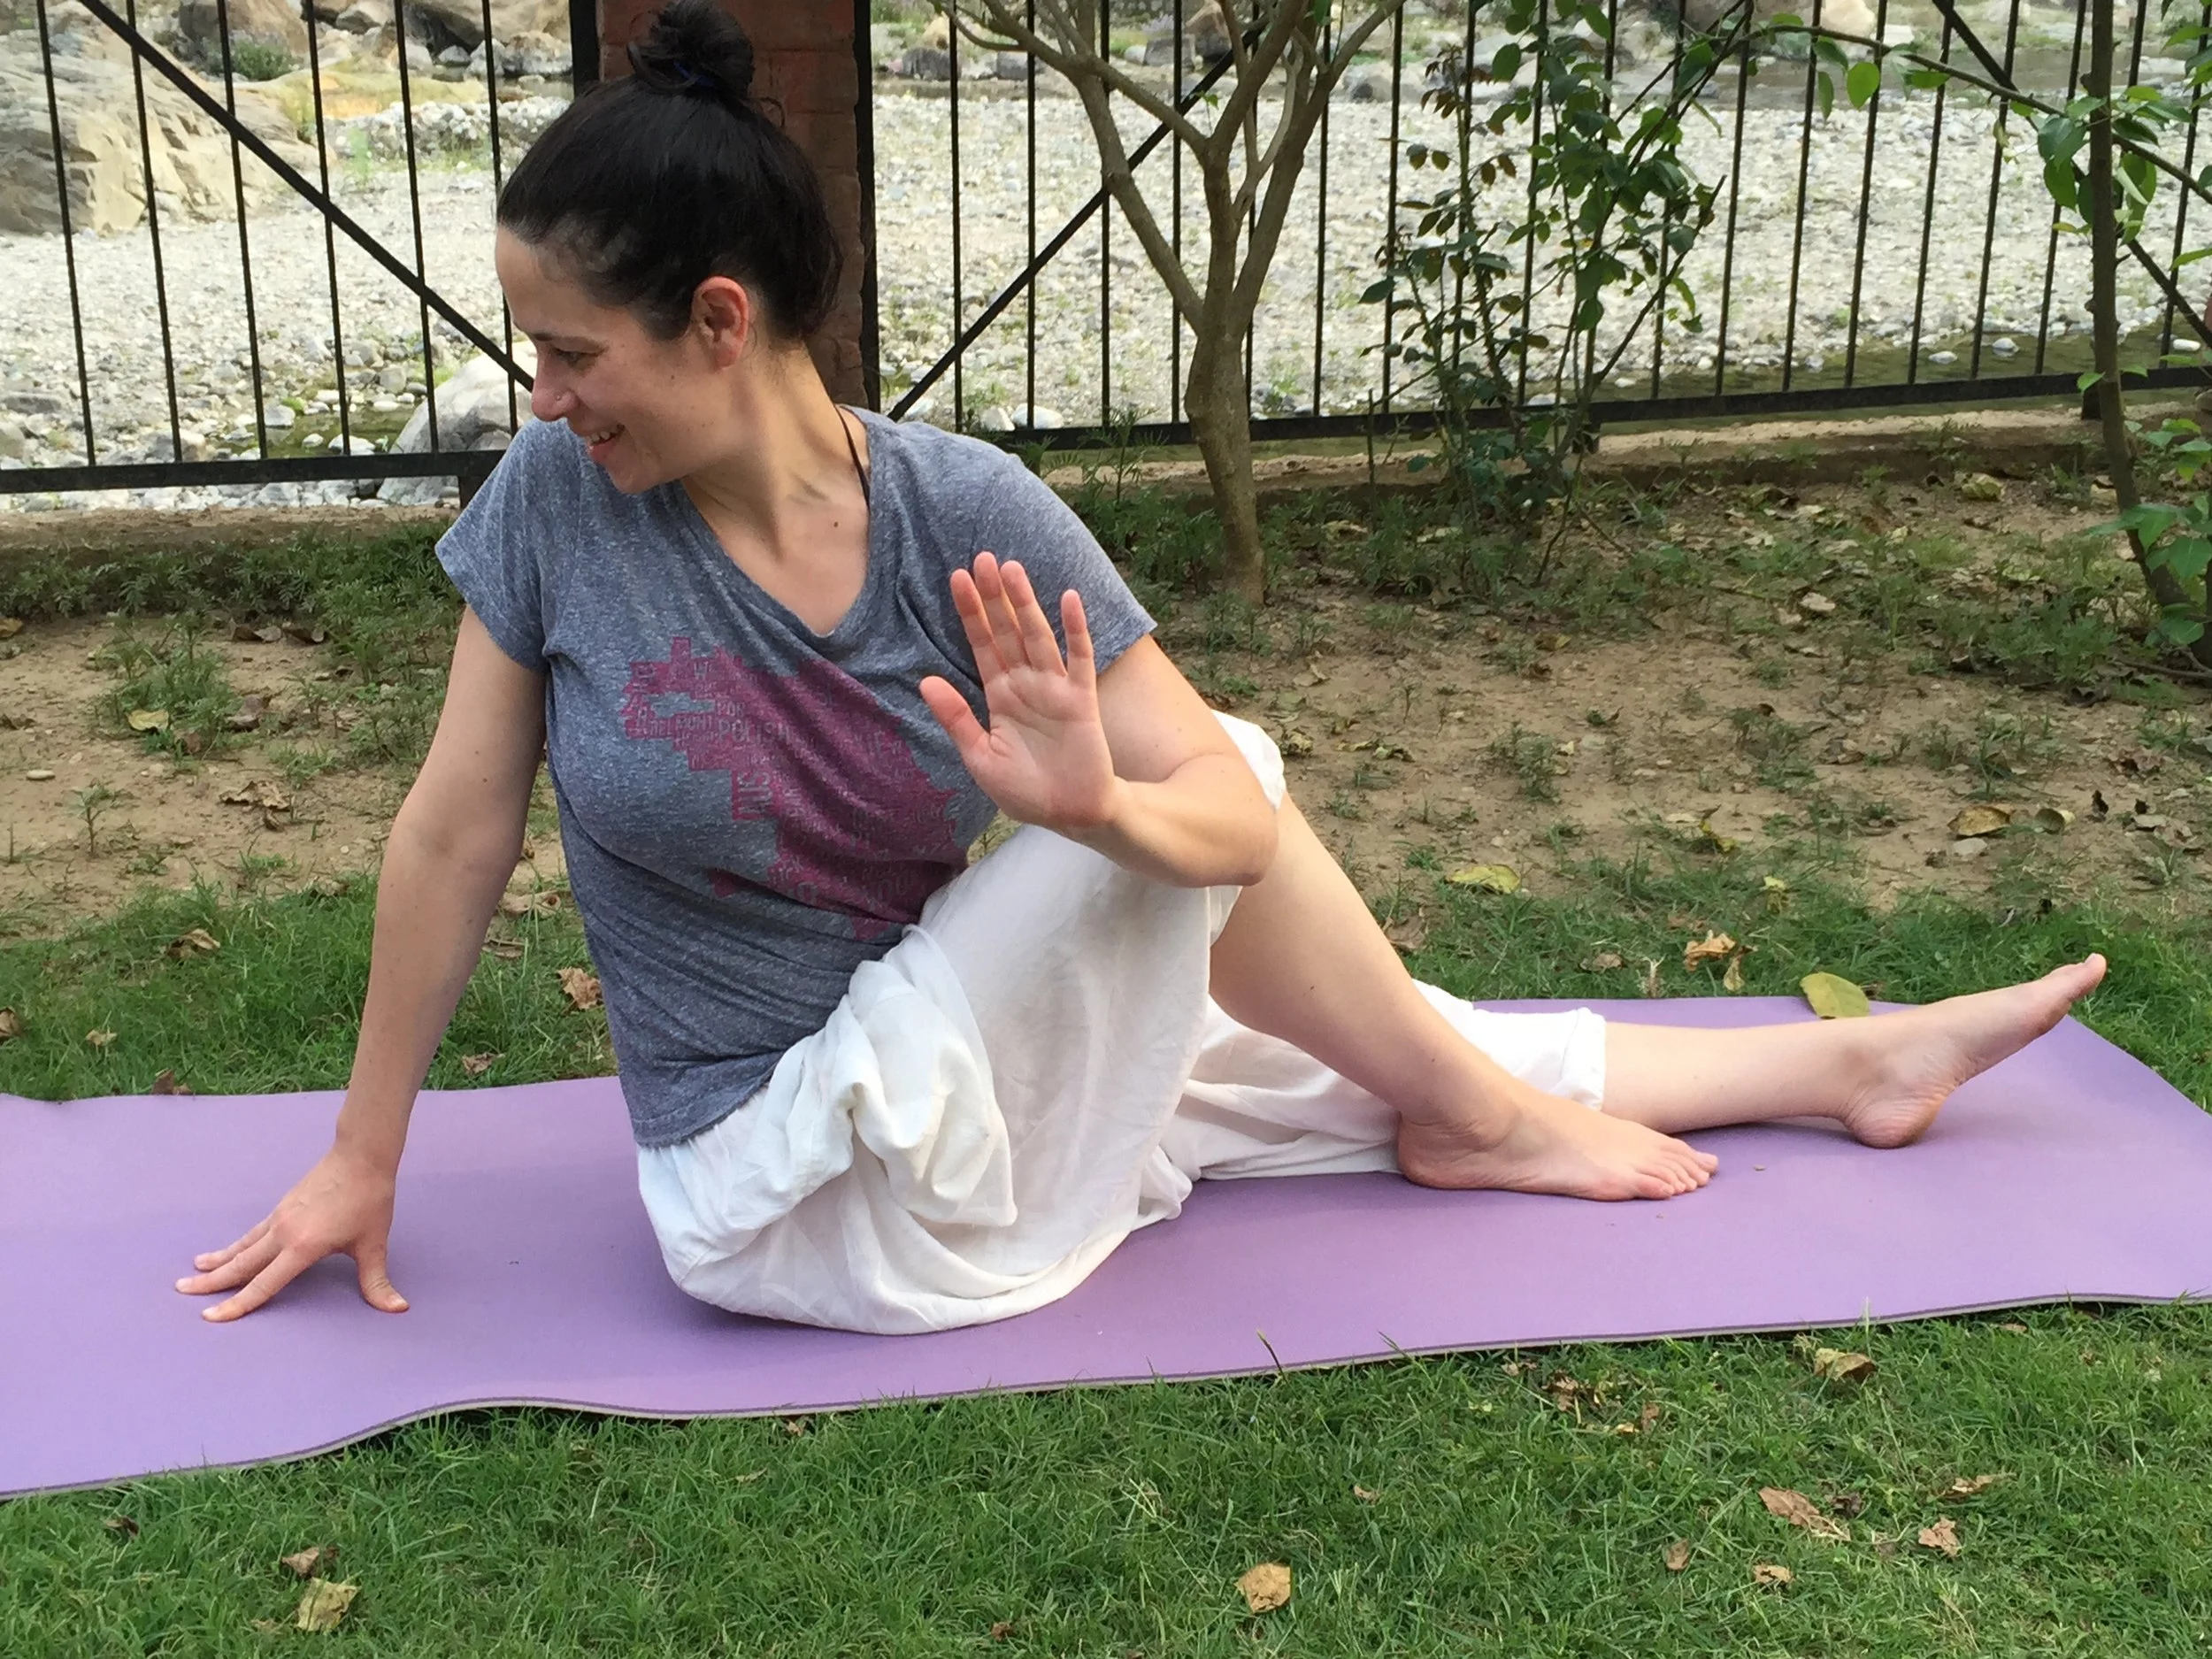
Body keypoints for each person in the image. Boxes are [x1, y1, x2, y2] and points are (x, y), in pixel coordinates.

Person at [177, 2, 2106, 1335]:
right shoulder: (554, 505)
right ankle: (1491, 1119)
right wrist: (360, 1158)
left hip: (952, 1069)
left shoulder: (961, 511)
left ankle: (1847, 1063)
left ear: (720, 320)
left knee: (1320, 1038)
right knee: (1232, 811)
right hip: (780, 1190)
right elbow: (452, 834)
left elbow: (1213, 831)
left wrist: (1094, 808)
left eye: (571, 352)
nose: (541, 396)